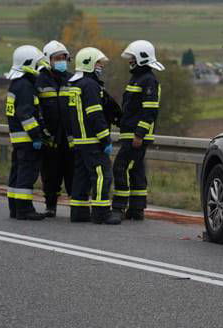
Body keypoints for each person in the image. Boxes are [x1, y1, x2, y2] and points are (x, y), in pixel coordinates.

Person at [66, 47, 121, 225]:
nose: (101, 67)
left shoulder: (74, 85)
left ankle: (79, 212)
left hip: (79, 141)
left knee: (81, 177)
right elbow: (95, 114)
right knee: (102, 175)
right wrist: (105, 138)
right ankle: (101, 213)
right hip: (92, 141)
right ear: (89, 63)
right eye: (98, 63)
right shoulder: (90, 86)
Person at [112, 40, 163, 220]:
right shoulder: (138, 78)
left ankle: (118, 208)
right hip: (131, 134)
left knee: (120, 168)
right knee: (136, 170)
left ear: (142, 58)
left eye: (133, 58)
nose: (130, 61)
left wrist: (139, 134)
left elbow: (149, 111)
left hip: (137, 135)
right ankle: (136, 209)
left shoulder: (148, 80)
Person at [5, 45, 47, 221]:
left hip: (18, 139)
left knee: (17, 173)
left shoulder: (16, 84)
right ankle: (24, 209)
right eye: (37, 64)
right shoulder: (25, 86)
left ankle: (15, 208)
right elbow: (26, 115)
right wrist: (37, 136)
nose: (39, 68)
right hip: (27, 139)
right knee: (27, 173)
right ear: (28, 64)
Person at [36, 40, 73, 218]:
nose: (61, 61)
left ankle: (78, 205)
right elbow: (36, 108)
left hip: (69, 137)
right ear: (48, 60)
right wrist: (42, 133)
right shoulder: (39, 81)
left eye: (63, 58)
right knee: (50, 174)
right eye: (57, 58)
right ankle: (51, 205)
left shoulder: (71, 79)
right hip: (49, 137)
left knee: (72, 173)